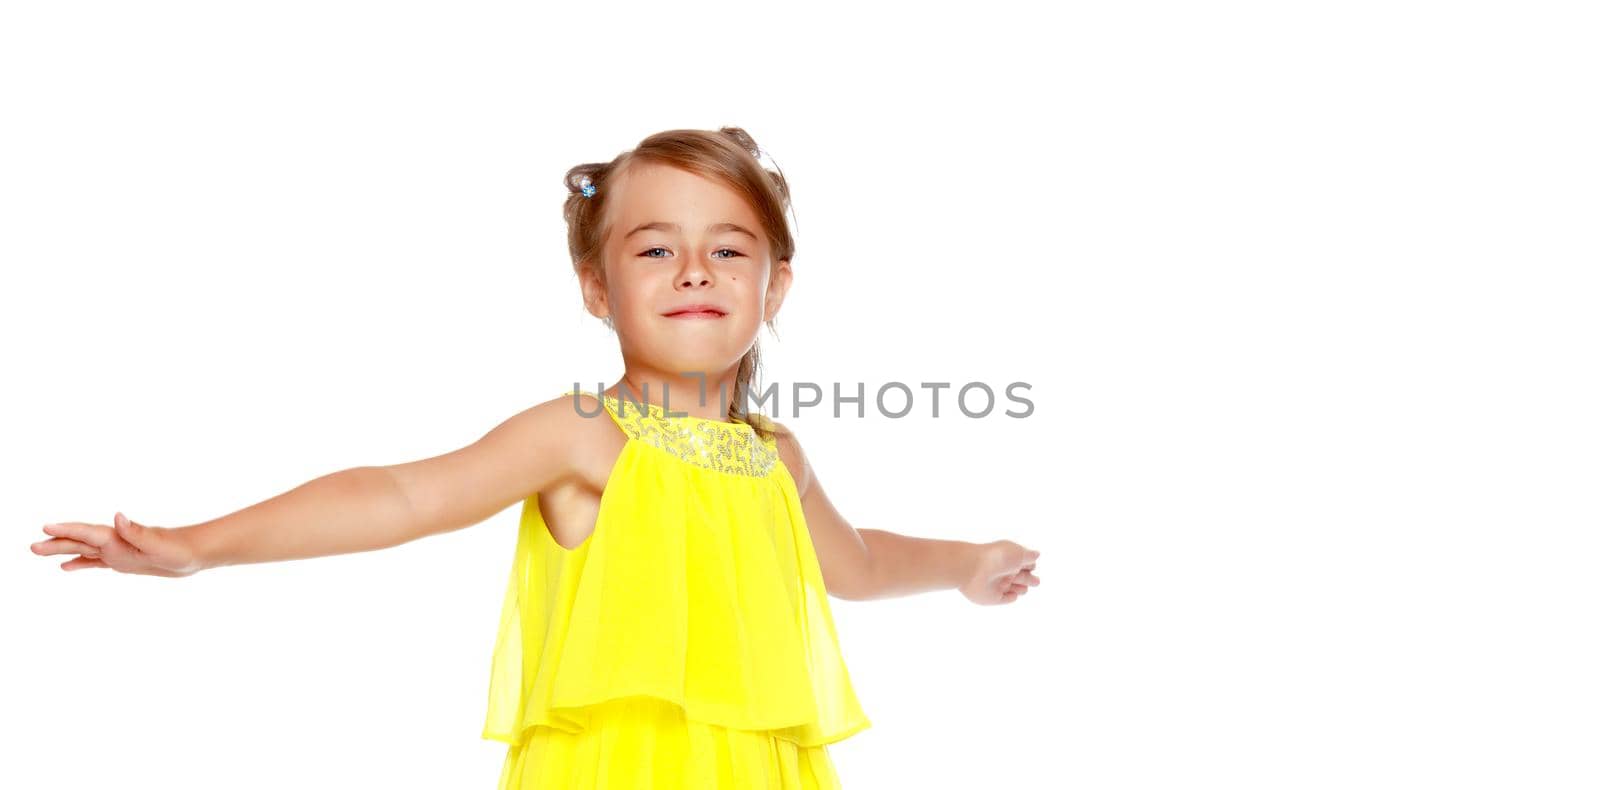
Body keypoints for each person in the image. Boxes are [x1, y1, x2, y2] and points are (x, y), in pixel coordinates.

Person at [29, 126, 1044, 789]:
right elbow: (403, 492)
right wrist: (202, 545)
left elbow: (852, 562)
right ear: (597, 290)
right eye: (653, 248)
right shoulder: (581, 434)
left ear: (775, 285)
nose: (694, 267)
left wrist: (963, 562)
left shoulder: (775, 455)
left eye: (728, 248)